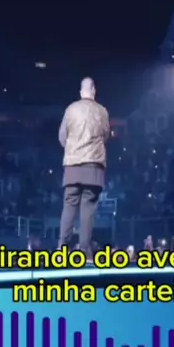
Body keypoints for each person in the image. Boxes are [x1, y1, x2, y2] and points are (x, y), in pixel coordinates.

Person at [58, 77, 110, 260]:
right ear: (94, 90)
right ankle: (84, 251)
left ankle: (62, 250)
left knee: (69, 206)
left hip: (72, 166)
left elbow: (62, 137)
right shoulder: (102, 111)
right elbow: (105, 136)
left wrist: (73, 149)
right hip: (93, 167)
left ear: (81, 92)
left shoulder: (70, 109)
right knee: (88, 209)